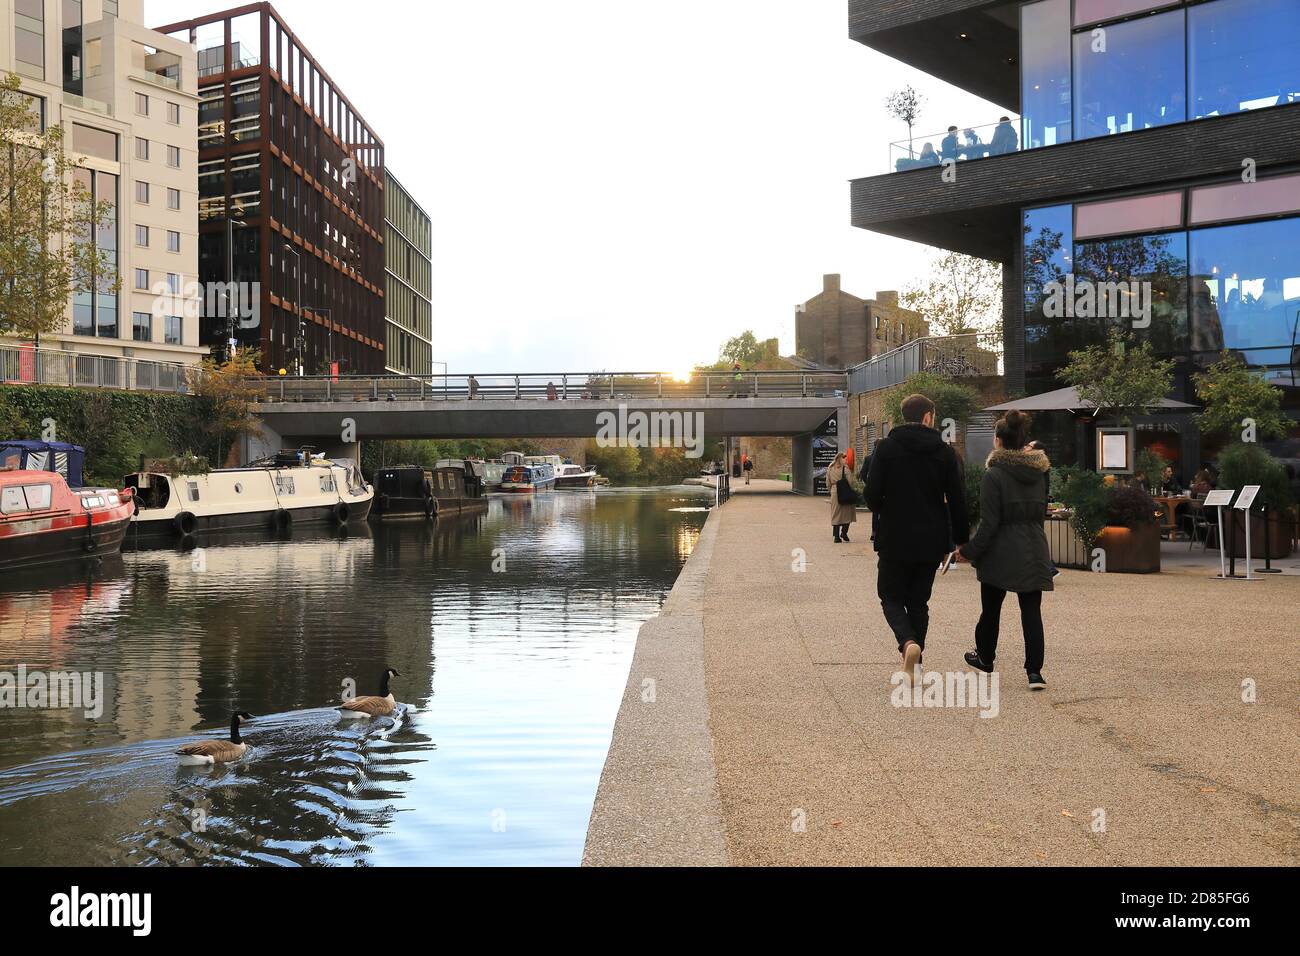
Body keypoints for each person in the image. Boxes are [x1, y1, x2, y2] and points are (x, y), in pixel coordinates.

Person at [864, 394, 969, 678]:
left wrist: (887, 509)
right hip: (930, 539)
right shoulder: (945, 453)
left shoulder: (886, 449)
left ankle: (908, 643)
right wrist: (961, 540)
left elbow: (871, 495)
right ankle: (917, 661)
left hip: (895, 536)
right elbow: (958, 499)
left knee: (890, 595)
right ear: (927, 417)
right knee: (919, 601)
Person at [953, 410, 1052, 690]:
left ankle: (985, 657)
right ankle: (1034, 672)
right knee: (1031, 611)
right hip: (1034, 546)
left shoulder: (994, 475)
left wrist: (970, 550)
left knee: (991, 608)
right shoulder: (1040, 473)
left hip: (1000, 551)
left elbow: (990, 523)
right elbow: (1041, 511)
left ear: (997, 441)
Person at [827, 452, 856, 543]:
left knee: (836, 513)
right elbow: (850, 482)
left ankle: (836, 536)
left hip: (834, 491)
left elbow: (828, 483)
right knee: (847, 513)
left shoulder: (830, 468)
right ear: (840, 459)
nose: (846, 460)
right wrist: (852, 490)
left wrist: (831, 491)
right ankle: (844, 533)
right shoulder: (845, 469)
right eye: (845, 459)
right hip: (845, 491)